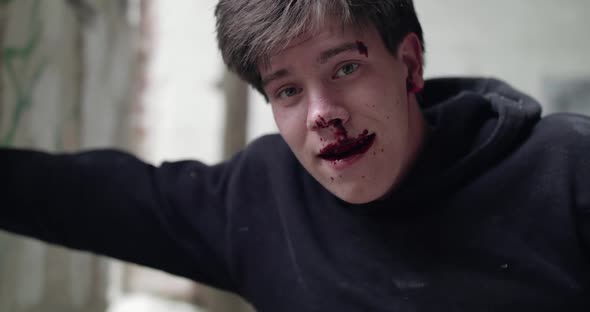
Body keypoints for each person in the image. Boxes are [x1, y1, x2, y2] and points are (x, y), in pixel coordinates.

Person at [2, 0, 590, 311]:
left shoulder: (568, 168)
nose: (322, 113)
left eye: (346, 67)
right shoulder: (263, 194)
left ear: (408, 64)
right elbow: (93, 198)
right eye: (287, 89)